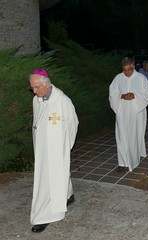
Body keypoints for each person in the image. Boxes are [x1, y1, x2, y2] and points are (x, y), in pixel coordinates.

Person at [29, 69, 79, 233]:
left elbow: (73, 124)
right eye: (32, 88)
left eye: (36, 87)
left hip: (57, 149)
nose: (34, 91)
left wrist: (65, 146)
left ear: (47, 84)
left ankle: (44, 215)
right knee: (55, 177)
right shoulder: (37, 100)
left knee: (49, 182)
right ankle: (68, 194)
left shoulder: (62, 100)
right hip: (42, 149)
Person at [109, 57, 148, 172]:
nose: (126, 72)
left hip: (136, 111)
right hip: (122, 110)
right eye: (124, 70)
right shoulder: (118, 78)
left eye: (129, 69)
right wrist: (121, 96)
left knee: (134, 135)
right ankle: (122, 163)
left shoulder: (140, 78)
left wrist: (135, 96)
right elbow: (112, 93)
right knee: (121, 136)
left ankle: (134, 160)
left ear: (133, 67)